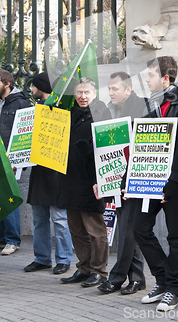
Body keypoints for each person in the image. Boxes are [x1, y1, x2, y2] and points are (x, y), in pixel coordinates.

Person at [132, 56, 178, 312]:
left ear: (165, 78)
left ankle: (173, 289)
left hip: (174, 185)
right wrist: (133, 181)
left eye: (150, 75)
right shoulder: (149, 107)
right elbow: (142, 148)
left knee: (176, 236)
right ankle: (162, 279)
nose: (146, 79)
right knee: (140, 228)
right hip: (148, 183)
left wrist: (172, 182)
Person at [98, 72, 146, 295]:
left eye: (114, 88)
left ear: (128, 89)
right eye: (109, 88)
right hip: (116, 179)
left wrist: (131, 182)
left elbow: (141, 150)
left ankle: (117, 277)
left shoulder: (140, 108)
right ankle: (137, 278)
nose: (110, 92)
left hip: (133, 181)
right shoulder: (112, 109)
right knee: (128, 231)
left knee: (127, 231)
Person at [58, 77, 110, 288]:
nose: (82, 96)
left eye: (87, 92)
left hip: (91, 181)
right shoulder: (69, 114)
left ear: (95, 93)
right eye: (79, 92)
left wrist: (90, 149)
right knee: (76, 229)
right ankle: (84, 268)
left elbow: (108, 147)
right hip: (70, 179)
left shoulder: (102, 113)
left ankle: (99, 271)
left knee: (95, 230)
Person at [24, 72, 73, 274]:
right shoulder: (33, 110)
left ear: (41, 87)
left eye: (34, 86)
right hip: (39, 170)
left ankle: (64, 258)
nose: (31, 90)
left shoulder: (60, 108)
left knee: (59, 218)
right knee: (38, 218)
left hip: (56, 170)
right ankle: (42, 258)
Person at [0, 69, 31, 256]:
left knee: (9, 196)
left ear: (7, 83)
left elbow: (27, 134)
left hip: (10, 160)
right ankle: (3, 239)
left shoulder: (21, 103)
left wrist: (20, 159)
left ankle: (12, 240)